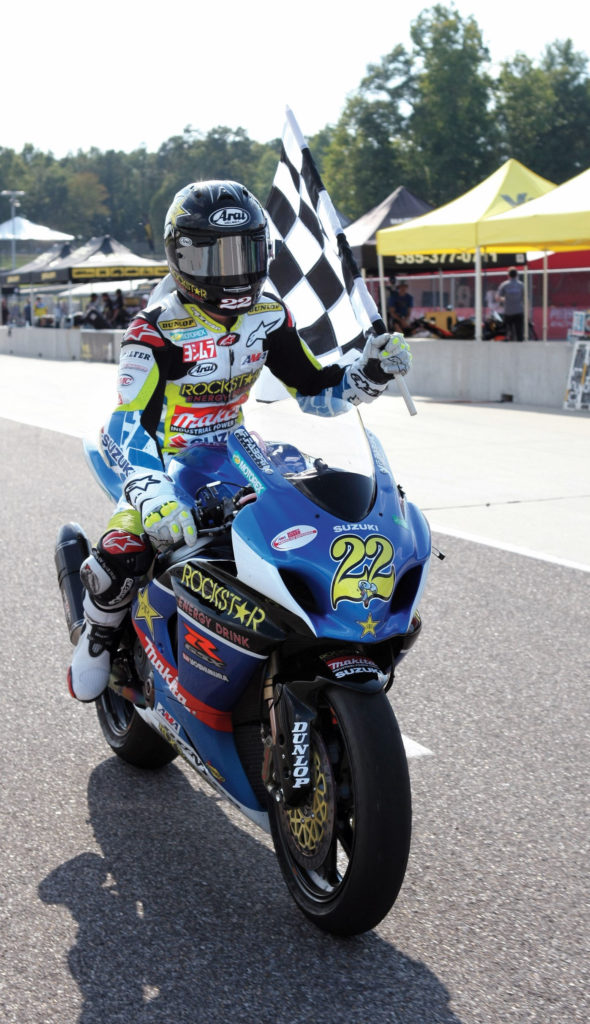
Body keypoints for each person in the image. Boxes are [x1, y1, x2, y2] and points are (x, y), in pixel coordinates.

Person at [68, 179, 412, 701]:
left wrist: (367, 374)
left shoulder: (268, 315)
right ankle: (97, 636)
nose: (231, 271)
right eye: (213, 257)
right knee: (126, 550)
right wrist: (153, 493)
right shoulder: (153, 330)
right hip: (162, 458)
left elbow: (316, 391)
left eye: (245, 252)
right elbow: (126, 422)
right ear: (179, 256)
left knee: (316, 504)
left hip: (234, 451)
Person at [497, 268, 524, 341]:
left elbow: (497, 297)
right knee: (519, 332)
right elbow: (525, 298)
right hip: (519, 311)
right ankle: (520, 348)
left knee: (508, 332)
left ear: (508, 275)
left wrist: (506, 299)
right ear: (517, 275)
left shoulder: (504, 285)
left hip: (508, 312)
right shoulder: (521, 285)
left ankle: (510, 347)